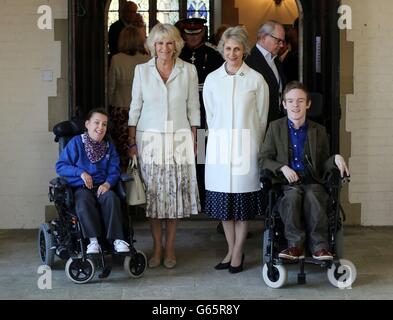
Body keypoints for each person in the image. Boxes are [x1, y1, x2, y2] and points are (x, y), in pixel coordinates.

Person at [128, 23, 200, 269]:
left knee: (174, 199)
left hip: (179, 139)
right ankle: (156, 248)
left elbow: (193, 108)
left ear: (176, 45)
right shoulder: (141, 70)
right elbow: (134, 107)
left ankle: (170, 249)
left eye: (169, 43)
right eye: (159, 43)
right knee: (155, 200)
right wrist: (131, 141)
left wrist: (194, 138)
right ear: (153, 46)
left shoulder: (188, 71)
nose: (164, 48)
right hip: (148, 140)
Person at [203, 26, 269, 273]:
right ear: (222, 50)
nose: (232, 53)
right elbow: (210, 115)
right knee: (225, 208)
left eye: (237, 49)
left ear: (244, 51)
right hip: (219, 149)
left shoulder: (255, 80)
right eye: (228, 48)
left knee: (242, 209)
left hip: (246, 148)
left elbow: (261, 118)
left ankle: (238, 252)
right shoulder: (212, 80)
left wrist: (254, 145)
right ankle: (230, 250)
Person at [259, 81, 350, 261]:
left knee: (313, 195)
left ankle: (320, 247)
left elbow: (324, 163)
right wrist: (282, 167)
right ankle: (295, 246)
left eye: (300, 101)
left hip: (312, 180)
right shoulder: (275, 128)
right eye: (291, 101)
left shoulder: (319, 130)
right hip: (287, 183)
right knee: (292, 196)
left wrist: (336, 158)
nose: (295, 105)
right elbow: (263, 159)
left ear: (308, 104)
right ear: (284, 104)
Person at [56, 109, 130, 254]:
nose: (100, 127)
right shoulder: (76, 143)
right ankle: (93, 241)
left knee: (111, 198)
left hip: (102, 186)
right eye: (97, 123)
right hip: (81, 188)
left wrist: (108, 183)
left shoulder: (109, 146)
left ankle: (117, 240)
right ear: (87, 124)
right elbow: (61, 166)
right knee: (83, 201)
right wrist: (80, 172)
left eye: (104, 124)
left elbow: (114, 170)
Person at [177, 17, 224, 212]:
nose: (193, 38)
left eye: (196, 34)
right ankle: (184, 199)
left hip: (204, 112)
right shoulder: (178, 54)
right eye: (189, 34)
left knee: (202, 157)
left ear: (203, 33)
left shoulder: (213, 54)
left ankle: (203, 198)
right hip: (181, 111)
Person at [108, 25, 149, 170]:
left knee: (121, 147)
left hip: (121, 108)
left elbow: (111, 86)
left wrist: (109, 105)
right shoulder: (147, 59)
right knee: (141, 144)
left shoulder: (116, 59)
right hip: (143, 110)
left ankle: (125, 179)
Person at [245, 20, 286, 125]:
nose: (281, 45)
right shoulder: (249, 61)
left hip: (277, 122)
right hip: (258, 123)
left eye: (282, 41)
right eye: (278, 40)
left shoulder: (275, 59)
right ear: (263, 37)